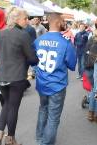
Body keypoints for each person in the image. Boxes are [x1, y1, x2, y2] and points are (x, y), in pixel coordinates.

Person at [0, 6, 39, 145]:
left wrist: (2, 63)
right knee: (13, 108)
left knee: (7, 104)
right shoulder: (23, 34)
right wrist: (35, 60)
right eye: (25, 18)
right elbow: (31, 58)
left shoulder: (0, 33)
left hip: (1, 76)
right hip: (17, 77)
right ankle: (10, 139)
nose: (27, 21)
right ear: (17, 19)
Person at [34, 13, 77, 145]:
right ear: (58, 22)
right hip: (57, 85)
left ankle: (39, 138)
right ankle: (45, 143)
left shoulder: (38, 40)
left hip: (42, 83)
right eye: (63, 21)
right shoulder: (65, 42)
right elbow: (72, 65)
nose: (65, 23)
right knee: (53, 117)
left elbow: (32, 61)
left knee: (43, 109)